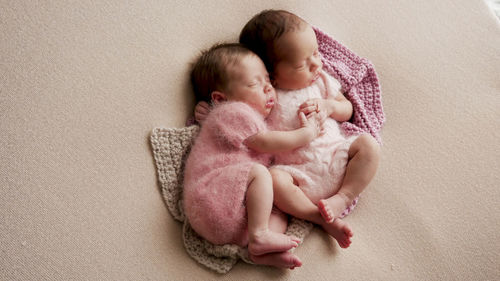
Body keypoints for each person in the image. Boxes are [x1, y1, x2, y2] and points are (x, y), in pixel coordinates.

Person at [184, 43, 325, 269]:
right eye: (254, 83)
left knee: (279, 211)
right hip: (211, 196)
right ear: (221, 99)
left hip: (233, 218)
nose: (268, 89)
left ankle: (258, 249)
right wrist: (307, 133)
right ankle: (260, 235)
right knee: (259, 173)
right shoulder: (233, 111)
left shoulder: (230, 115)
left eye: (268, 80)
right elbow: (265, 142)